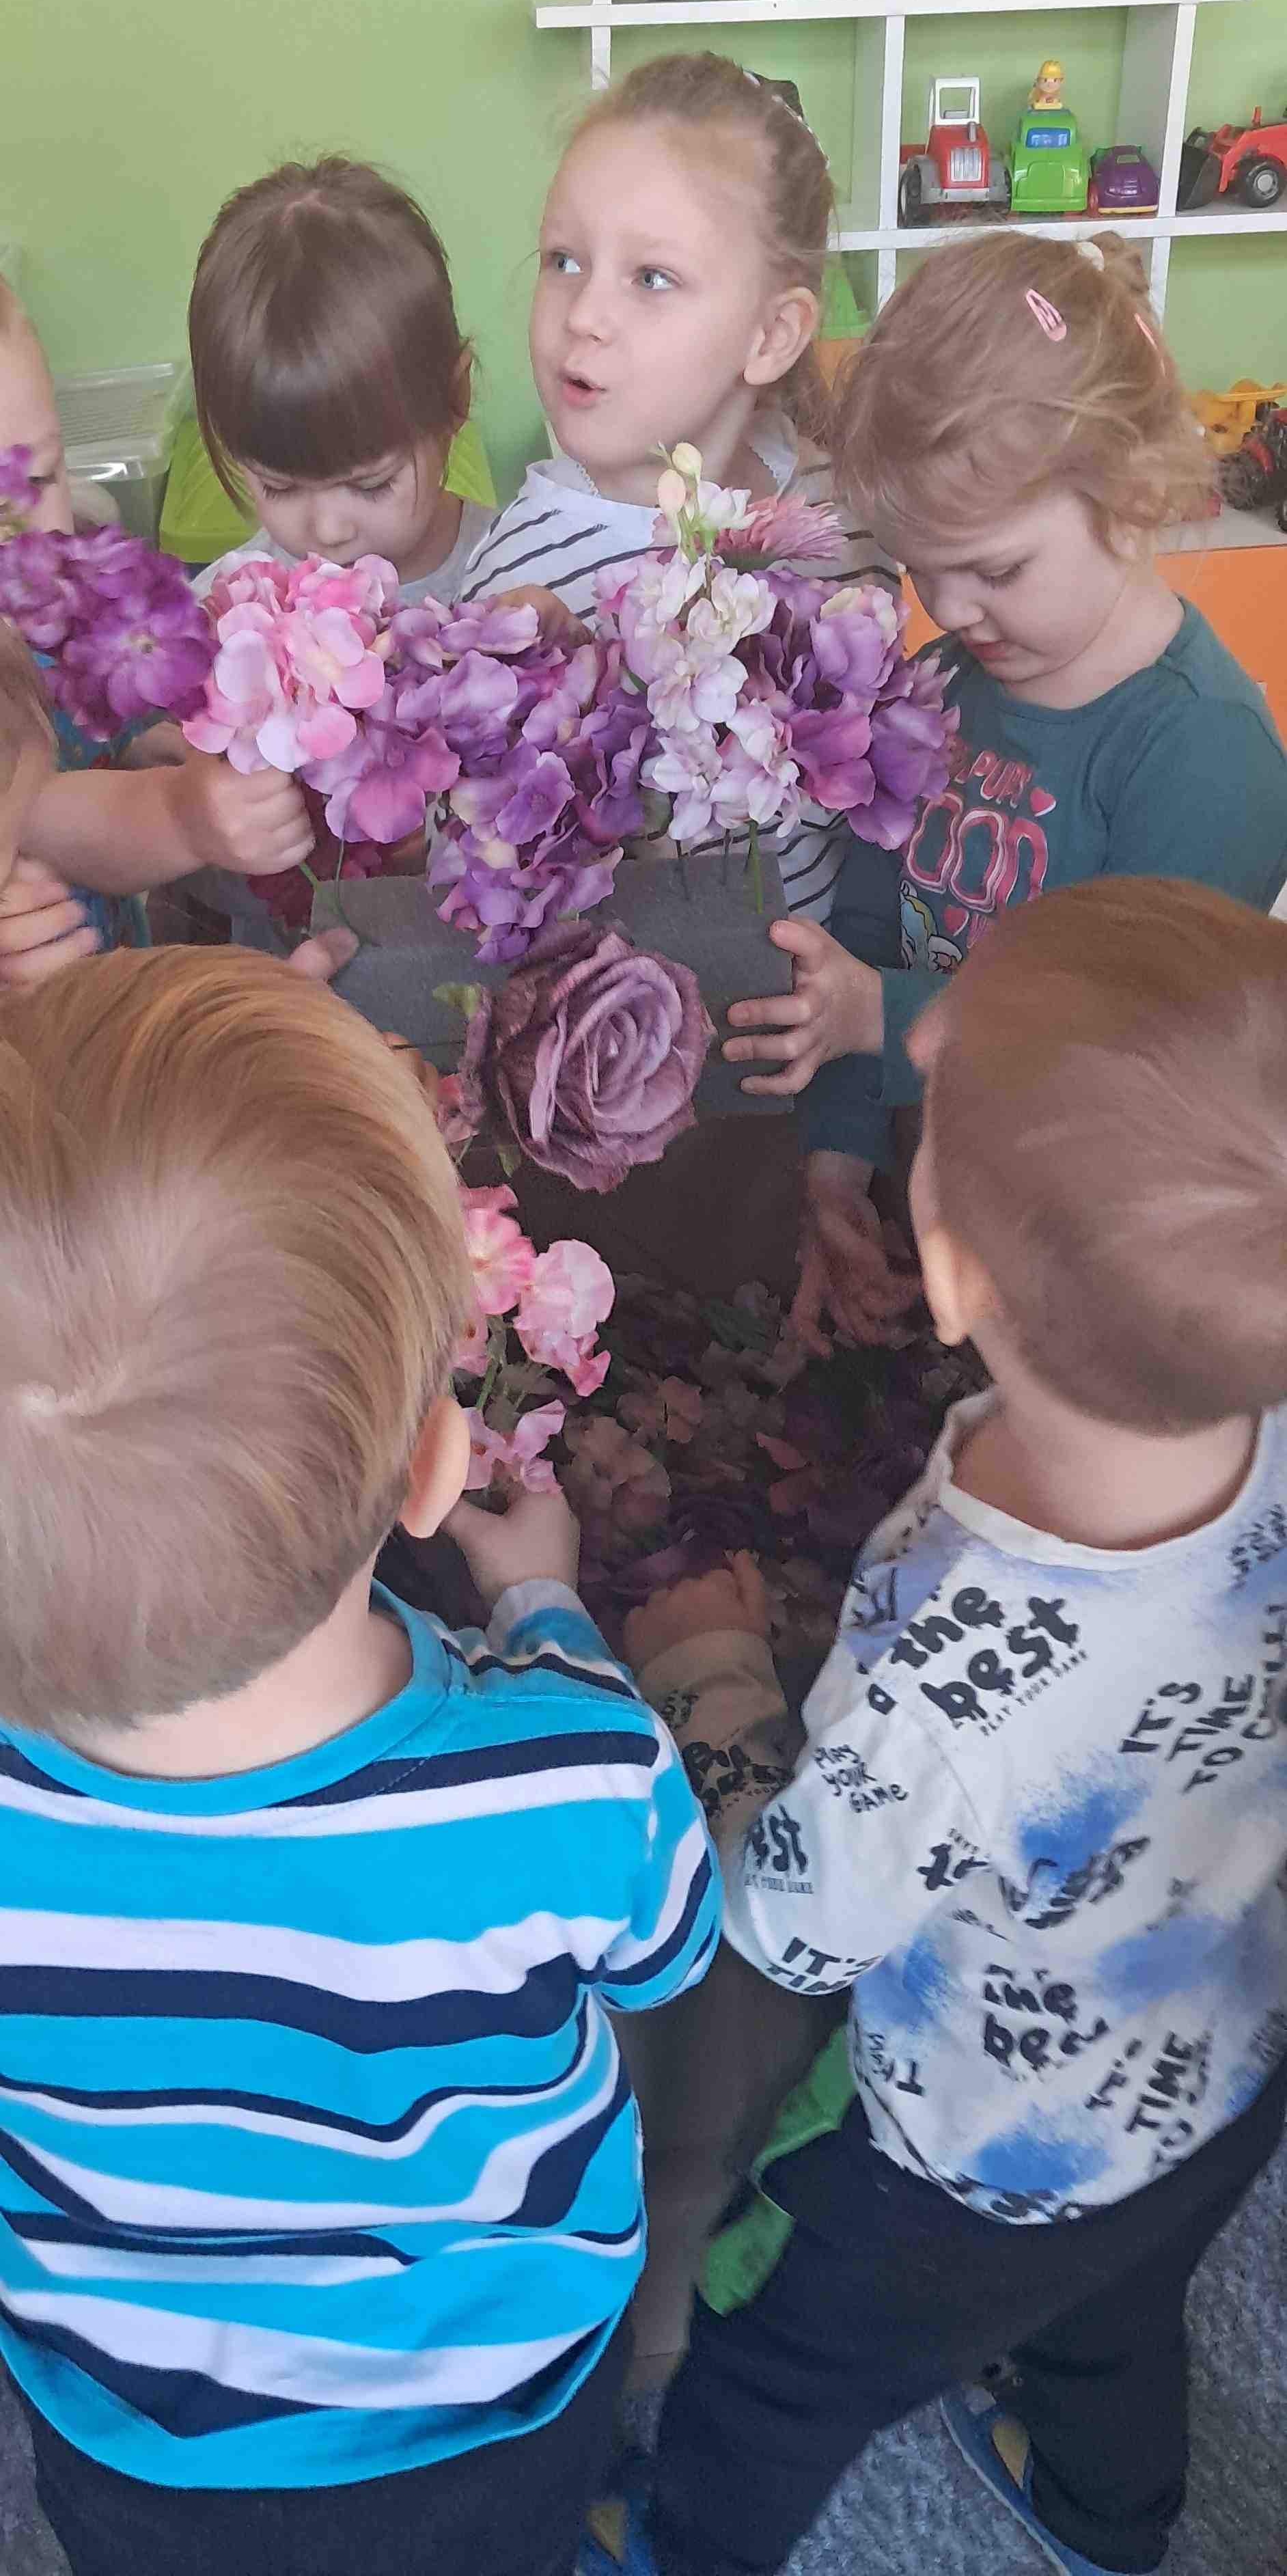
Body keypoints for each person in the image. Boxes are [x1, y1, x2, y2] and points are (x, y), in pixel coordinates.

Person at [587, 876, 1287, 2576]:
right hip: (1223, 2060)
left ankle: (682, 2551)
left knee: (776, 2376)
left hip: (971, 2157)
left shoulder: (951, 1665)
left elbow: (794, 1918)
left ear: (950, 1272)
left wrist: (714, 1671)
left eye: (932, 1083)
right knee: (1118, 2309)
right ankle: (1109, 2515)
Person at [0, 946, 720, 2576]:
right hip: (498, 2393)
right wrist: (544, 1609)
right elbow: (670, 1951)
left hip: (134, 2429)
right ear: (434, 1463)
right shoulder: (564, 1770)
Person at [719, 229, 1287, 1347]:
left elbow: (1125, 1047)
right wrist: (837, 1164)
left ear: (1129, 493)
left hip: (1088, 1268)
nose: (951, 608)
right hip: (931, 1195)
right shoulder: (938, 684)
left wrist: (875, 1018)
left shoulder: (1203, 753)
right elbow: (864, 930)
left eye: (995, 568)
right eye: (921, 567)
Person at [460, 52, 896, 923]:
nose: (583, 314)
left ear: (771, 336)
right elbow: (498, 862)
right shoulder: (518, 579)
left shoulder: (839, 515)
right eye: (563, 259)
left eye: (651, 278)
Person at [0, 280, 321, 983]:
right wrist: (181, 816)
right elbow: (53, 814)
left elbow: (88, 742)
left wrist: (143, 744)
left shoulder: (55, 617)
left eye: (42, 477)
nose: (25, 538)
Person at [189, 156, 495, 607]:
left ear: (456, 396)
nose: (329, 531)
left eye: (372, 484)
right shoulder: (225, 610)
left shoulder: (520, 571)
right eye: (279, 486)